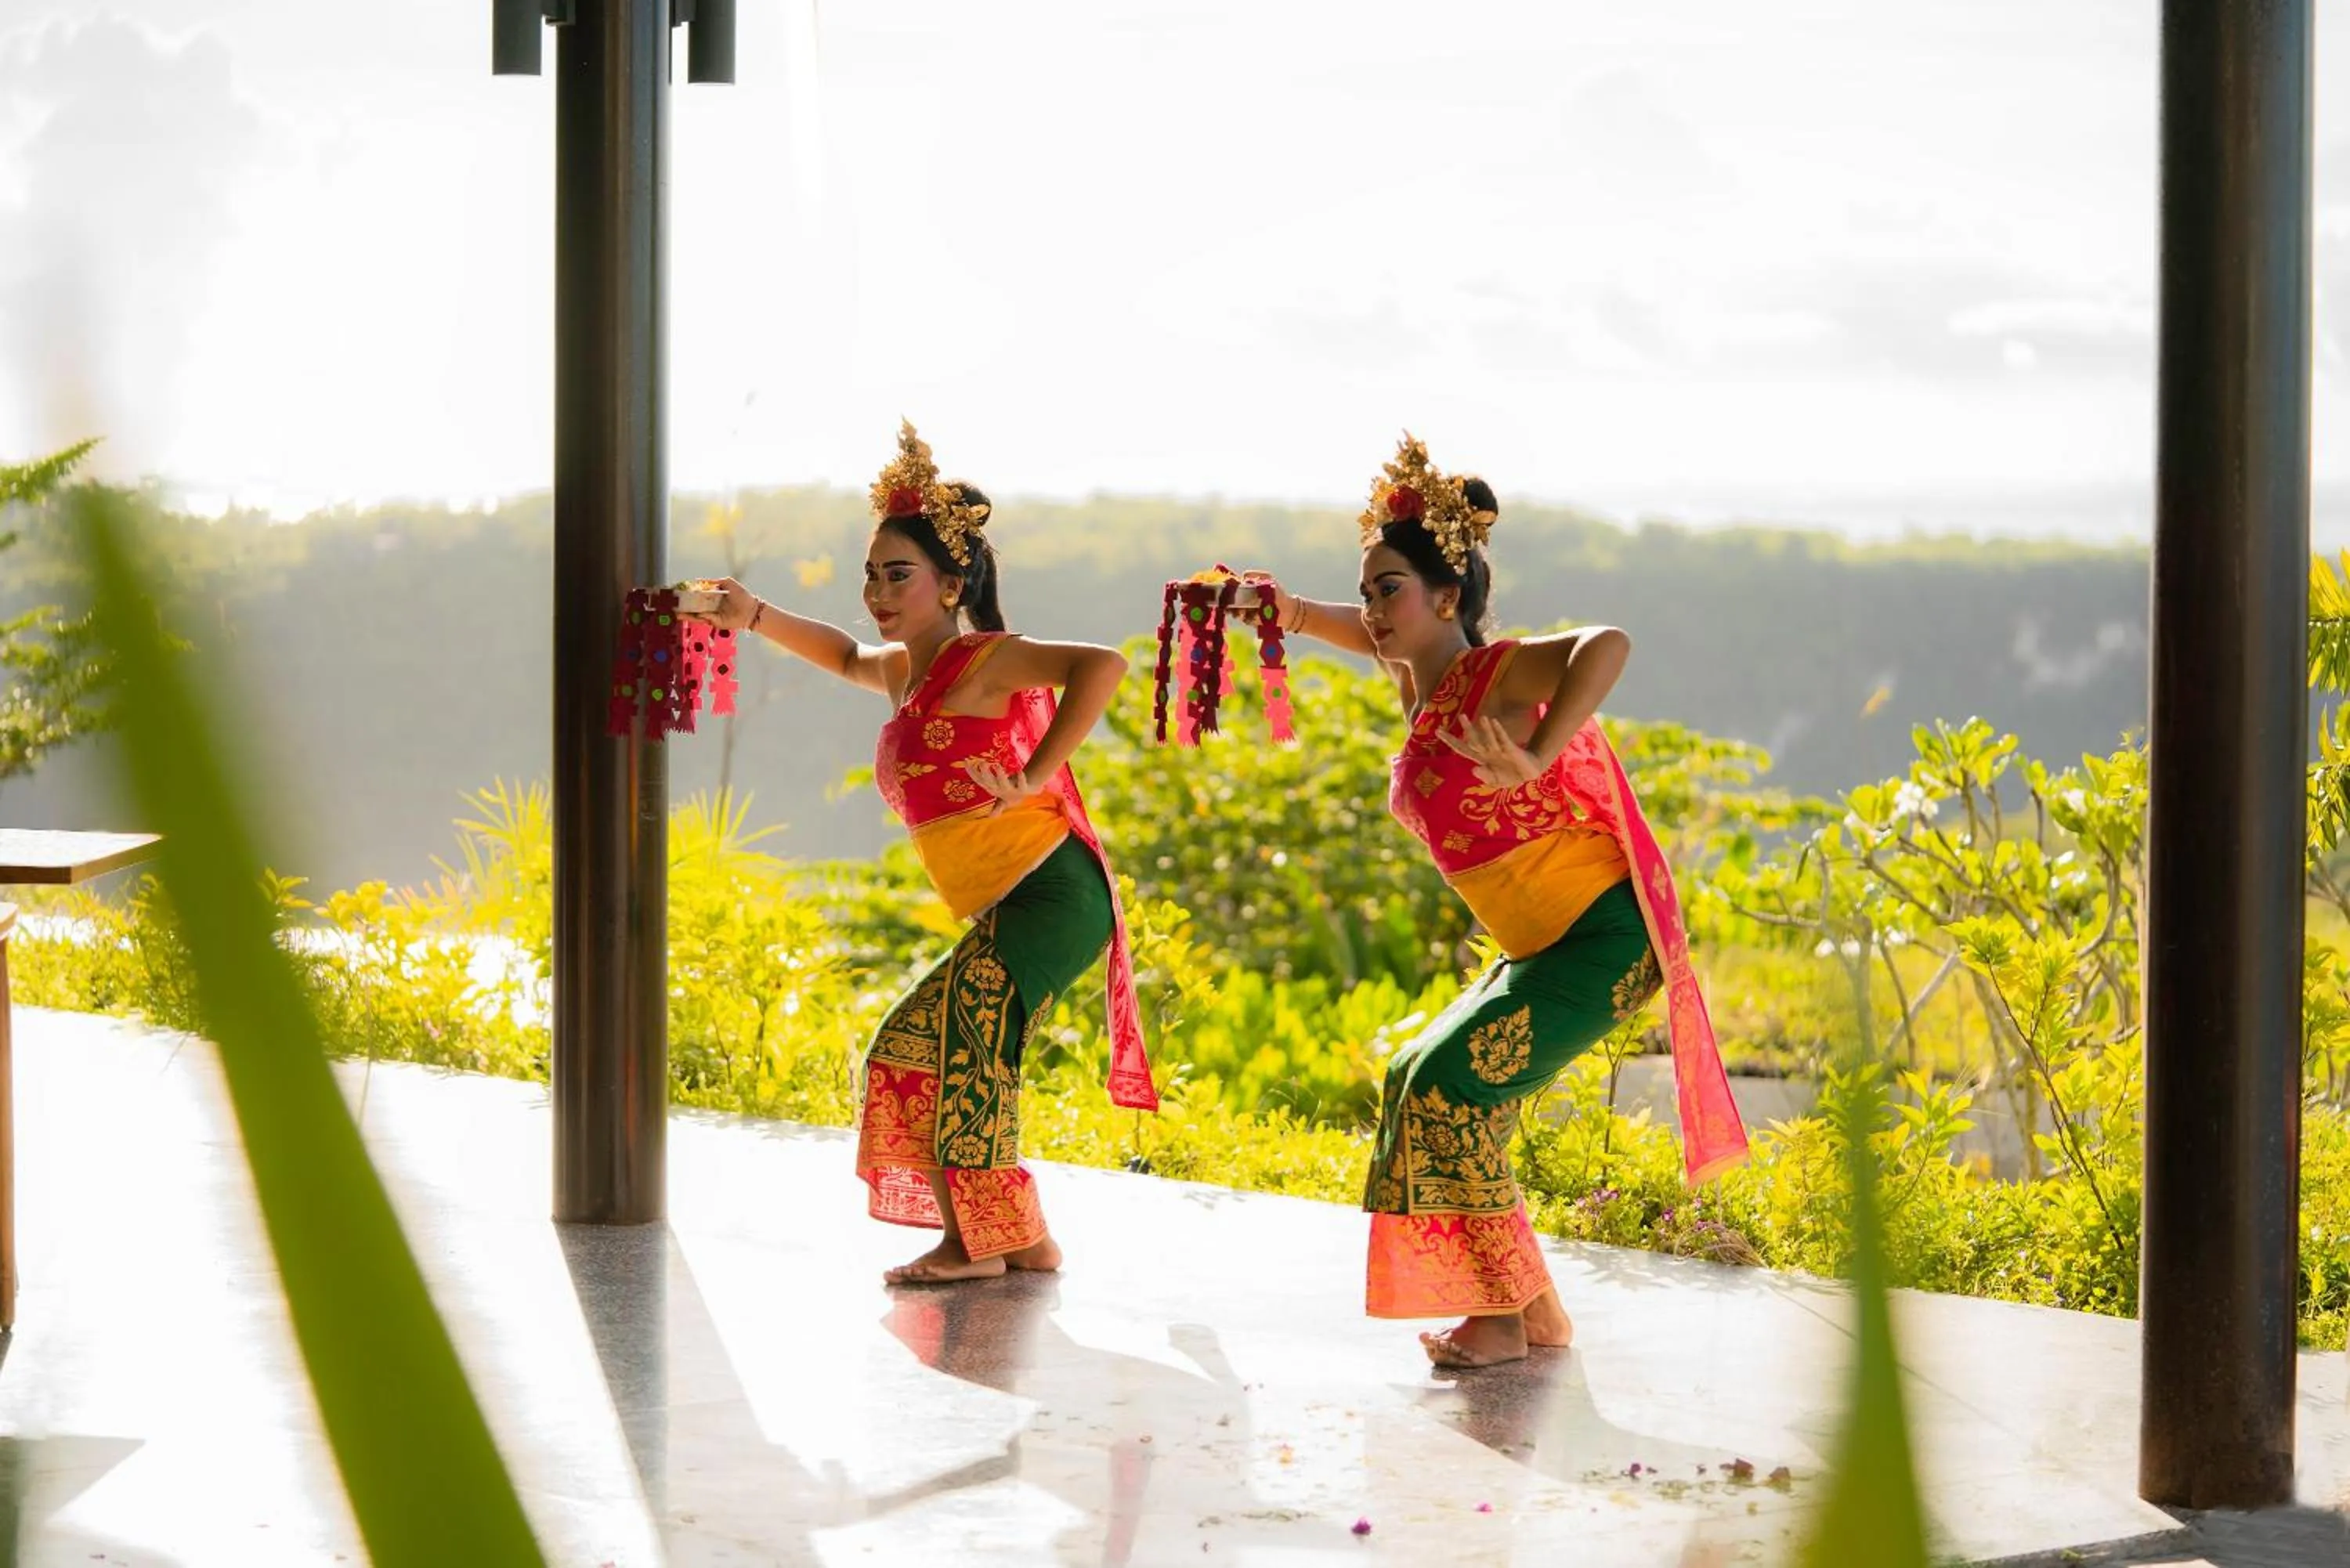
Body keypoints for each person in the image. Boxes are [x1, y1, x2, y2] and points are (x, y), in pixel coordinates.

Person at [1249, 434, 1747, 1367]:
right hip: (1542, 950)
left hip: (1603, 942)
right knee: (1414, 1078)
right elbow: (1376, 637)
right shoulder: (1420, 685)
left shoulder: (1494, 672)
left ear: (1448, 597)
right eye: (1368, 592)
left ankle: (1501, 1320)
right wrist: (1297, 611)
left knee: (1451, 1089)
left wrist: (1543, 748)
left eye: (1388, 589)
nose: (1373, 612)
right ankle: (1536, 1314)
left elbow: (1607, 644)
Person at [697, 421, 1158, 1284]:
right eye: (870, 574)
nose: (876, 590)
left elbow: (1103, 665)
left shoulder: (989, 658)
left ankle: (977, 1245)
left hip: (1052, 892)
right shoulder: (909, 674)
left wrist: (1033, 774)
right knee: (916, 1047)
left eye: (897, 574)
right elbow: (839, 652)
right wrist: (750, 614)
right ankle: (1014, 1238)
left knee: (950, 1041)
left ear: (952, 584)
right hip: (1014, 903)